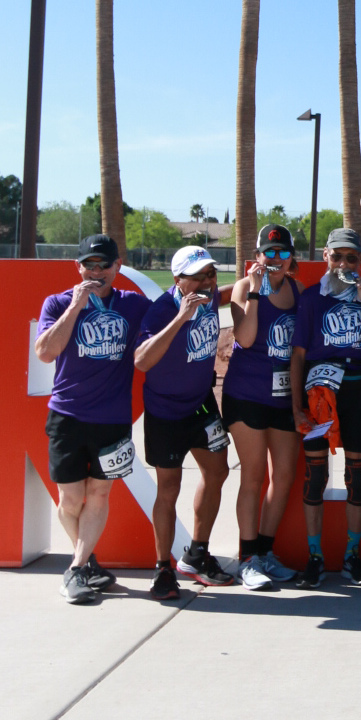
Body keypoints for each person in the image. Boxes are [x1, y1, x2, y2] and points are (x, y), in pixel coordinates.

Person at [34, 234, 150, 605]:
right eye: (89, 265)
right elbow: (45, 353)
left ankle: (77, 568)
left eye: (103, 265)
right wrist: (75, 306)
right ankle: (85, 563)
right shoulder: (57, 303)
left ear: (118, 266)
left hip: (112, 419)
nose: (96, 272)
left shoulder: (133, 304)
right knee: (70, 500)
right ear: (78, 267)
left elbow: (171, 312)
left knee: (99, 494)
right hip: (67, 414)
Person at [133, 245, 235, 598]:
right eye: (198, 276)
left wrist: (256, 279)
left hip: (202, 406)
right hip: (165, 412)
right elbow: (142, 361)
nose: (207, 281)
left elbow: (227, 293)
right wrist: (180, 318)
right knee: (169, 488)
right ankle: (163, 568)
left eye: (211, 273)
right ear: (178, 280)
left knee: (218, 471)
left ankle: (197, 554)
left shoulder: (210, 296)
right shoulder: (162, 310)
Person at [290, 227, 361, 589]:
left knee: (356, 474)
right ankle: (314, 556)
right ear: (326, 256)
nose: (344, 263)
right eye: (337, 256)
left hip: (357, 388)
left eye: (351, 257)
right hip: (318, 391)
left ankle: (352, 555)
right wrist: (296, 406)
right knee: (315, 475)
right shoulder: (312, 298)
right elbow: (298, 355)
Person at [222, 223, 302, 590]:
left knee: (284, 475)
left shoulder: (297, 290)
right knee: (253, 476)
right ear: (257, 256)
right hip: (247, 395)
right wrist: (255, 292)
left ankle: (266, 551)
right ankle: (248, 557)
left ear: (291, 258)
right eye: (268, 253)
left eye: (282, 253)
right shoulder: (244, 287)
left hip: (283, 398)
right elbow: (245, 337)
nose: (275, 259)